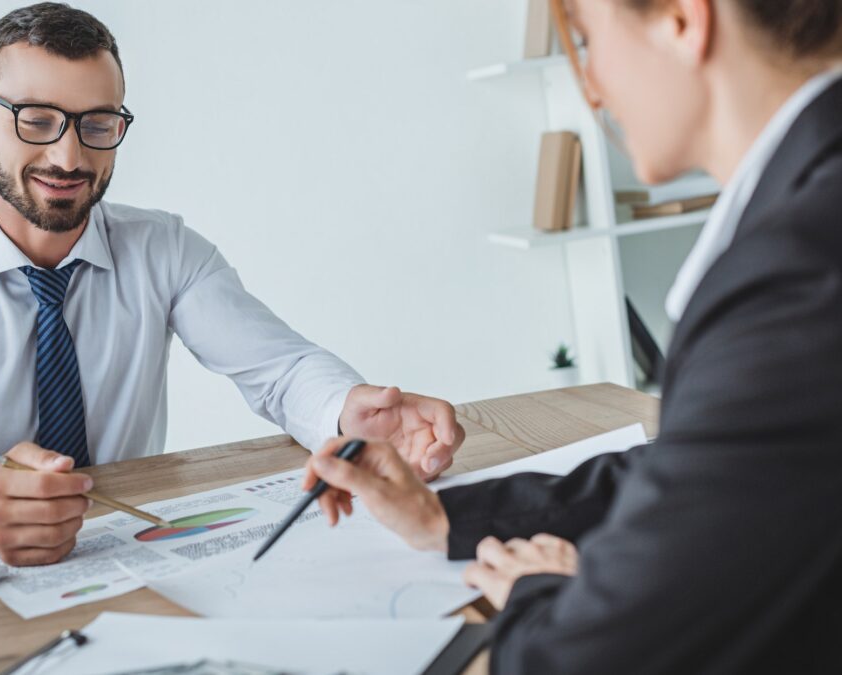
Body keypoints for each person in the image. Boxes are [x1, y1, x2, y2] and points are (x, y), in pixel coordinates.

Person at [0, 3, 465, 567]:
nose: (69, 155)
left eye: (97, 124)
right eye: (37, 120)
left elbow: (281, 371)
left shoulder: (165, 249)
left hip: (126, 559)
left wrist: (349, 412)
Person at [307, 0, 842, 672]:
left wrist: (538, 593)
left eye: (587, 40)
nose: (590, 85)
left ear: (681, 18)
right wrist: (450, 519)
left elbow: (579, 658)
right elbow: (694, 469)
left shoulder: (795, 268)